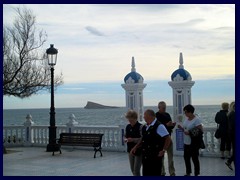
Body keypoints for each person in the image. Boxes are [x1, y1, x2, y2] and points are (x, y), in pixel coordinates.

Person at [131, 109, 171, 176]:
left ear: (150, 116)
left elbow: (168, 138)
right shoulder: (145, 126)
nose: (144, 117)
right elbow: (143, 139)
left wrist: (164, 150)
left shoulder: (159, 126)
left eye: (145, 115)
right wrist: (136, 147)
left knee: (155, 173)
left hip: (155, 156)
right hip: (146, 156)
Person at [178, 104, 203, 176]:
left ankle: (196, 173)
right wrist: (181, 128)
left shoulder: (196, 120)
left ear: (190, 112)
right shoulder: (186, 119)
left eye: (186, 112)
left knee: (195, 158)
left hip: (194, 143)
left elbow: (200, 130)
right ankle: (188, 172)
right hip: (186, 142)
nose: (185, 113)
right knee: (186, 158)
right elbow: (186, 129)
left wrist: (189, 132)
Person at [156, 101, 176, 176]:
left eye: (165, 107)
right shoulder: (156, 116)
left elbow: (170, 127)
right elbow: (157, 127)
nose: (164, 109)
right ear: (159, 107)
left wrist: (172, 125)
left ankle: (172, 172)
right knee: (161, 157)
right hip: (160, 140)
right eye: (163, 107)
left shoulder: (167, 114)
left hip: (168, 137)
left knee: (171, 157)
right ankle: (162, 172)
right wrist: (166, 124)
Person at [124, 110, 143, 176]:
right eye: (128, 118)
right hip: (130, 150)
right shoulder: (128, 127)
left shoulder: (141, 127)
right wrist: (126, 139)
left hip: (139, 151)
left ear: (135, 118)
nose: (129, 120)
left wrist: (132, 140)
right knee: (132, 169)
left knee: (136, 170)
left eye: (130, 119)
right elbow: (125, 136)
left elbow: (143, 139)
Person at [225, 101, 235, 171]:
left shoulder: (230, 114)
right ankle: (229, 161)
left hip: (232, 134)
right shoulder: (233, 114)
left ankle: (230, 161)